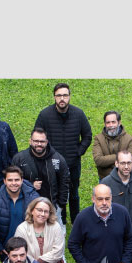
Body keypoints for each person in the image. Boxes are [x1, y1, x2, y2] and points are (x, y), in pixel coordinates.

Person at [35, 83, 93, 224]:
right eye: (59, 95)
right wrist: (46, 155)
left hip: (73, 163)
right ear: (54, 97)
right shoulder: (45, 115)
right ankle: (60, 220)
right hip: (51, 163)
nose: (62, 98)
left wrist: (78, 152)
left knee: (73, 194)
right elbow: (37, 136)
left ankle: (76, 220)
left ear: (69, 96)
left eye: (65, 95)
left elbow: (87, 136)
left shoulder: (78, 114)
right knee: (54, 192)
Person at [67, 184, 132, 263]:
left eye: (107, 199)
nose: (104, 203)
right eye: (100, 199)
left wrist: (124, 262)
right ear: (93, 199)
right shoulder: (83, 217)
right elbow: (73, 244)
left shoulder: (122, 213)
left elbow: (130, 239)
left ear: (111, 198)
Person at [11, 127, 71, 223]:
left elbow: (65, 182)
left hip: (52, 208)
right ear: (30, 141)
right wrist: (30, 185)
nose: (39, 144)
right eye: (36, 141)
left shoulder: (58, 159)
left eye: (42, 141)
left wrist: (60, 205)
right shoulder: (19, 159)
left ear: (47, 142)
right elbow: (12, 182)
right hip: (27, 208)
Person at [0, 165, 39, 258]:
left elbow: (40, 222)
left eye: (16, 180)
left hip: (30, 247)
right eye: (10, 180)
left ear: (22, 180)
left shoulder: (33, 198)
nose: (13, 183)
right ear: (4, 181)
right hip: (6, 249)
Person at [91, 110, 132, 179]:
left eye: (113, 122)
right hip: (105, 178)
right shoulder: (98, 139)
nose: (111, 125)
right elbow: (98, 160)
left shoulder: (129, 139)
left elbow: (130, 159)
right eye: (108, 122)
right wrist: (120, 157)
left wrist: (107, 160)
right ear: (104, 124)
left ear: (119, 123)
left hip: (124, 178)